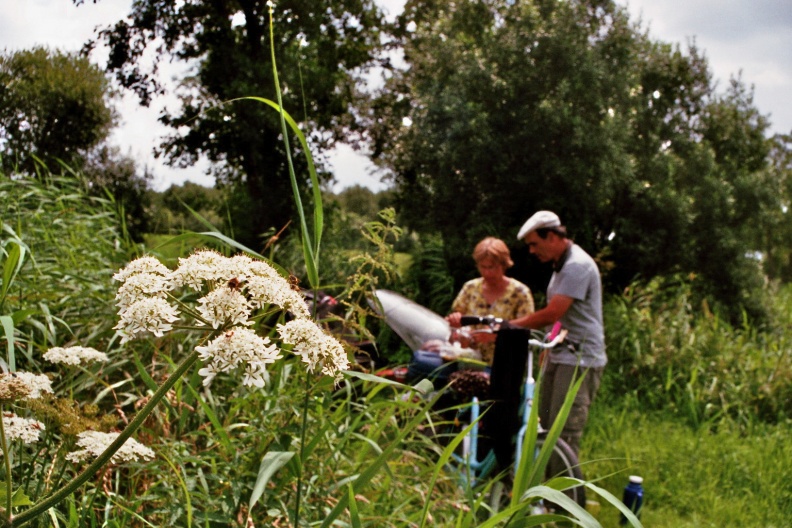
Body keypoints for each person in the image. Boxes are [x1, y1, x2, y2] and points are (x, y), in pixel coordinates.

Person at [508, 211, 606, 458]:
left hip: (580, 359)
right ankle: (540, 491)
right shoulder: (561, 265)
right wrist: (547, 347)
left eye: (534, 244)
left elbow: (553, 313)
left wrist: (509, 327)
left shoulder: (576, 266)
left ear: (551, 236)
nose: (531, 251)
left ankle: (564, 495)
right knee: (544, 426)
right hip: (561, 354)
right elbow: (561, 319)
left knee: (563, 434)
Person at [446, 236, 535, 366]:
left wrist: (496, 336)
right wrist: (456, 322)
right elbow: (456, 320)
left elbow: (525, 332)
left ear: (504, 264)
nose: (487, 272)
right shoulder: (470, 288)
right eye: (483, 267)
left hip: (504, 365)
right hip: (468, 362)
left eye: (492, 267)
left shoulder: (520, 293)